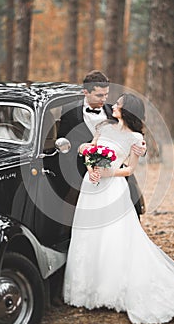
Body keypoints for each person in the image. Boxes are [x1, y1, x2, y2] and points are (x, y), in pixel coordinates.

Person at [63, 93, 174, 324]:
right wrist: (89, 161)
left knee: (112, 237)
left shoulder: (135, 138)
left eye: (120, 103)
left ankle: (111, 290)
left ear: (127, 110)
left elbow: (130, 170)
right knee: (88, 234)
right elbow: (90, 149)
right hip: (91, 187)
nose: (115, 105)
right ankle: (85, 290)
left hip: (113, 188)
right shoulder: (103, 126)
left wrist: (107, 172)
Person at [57, 70, 146, 223]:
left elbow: (132, 135)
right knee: (76, 215)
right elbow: (63, 138)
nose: (104, 99)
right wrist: (80, 149)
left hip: (115, 172)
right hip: (82, 171)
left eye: (106, 94)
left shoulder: (114, 111)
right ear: (86, 92)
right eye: (99, 95)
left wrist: (142, 150)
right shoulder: (70, 111)